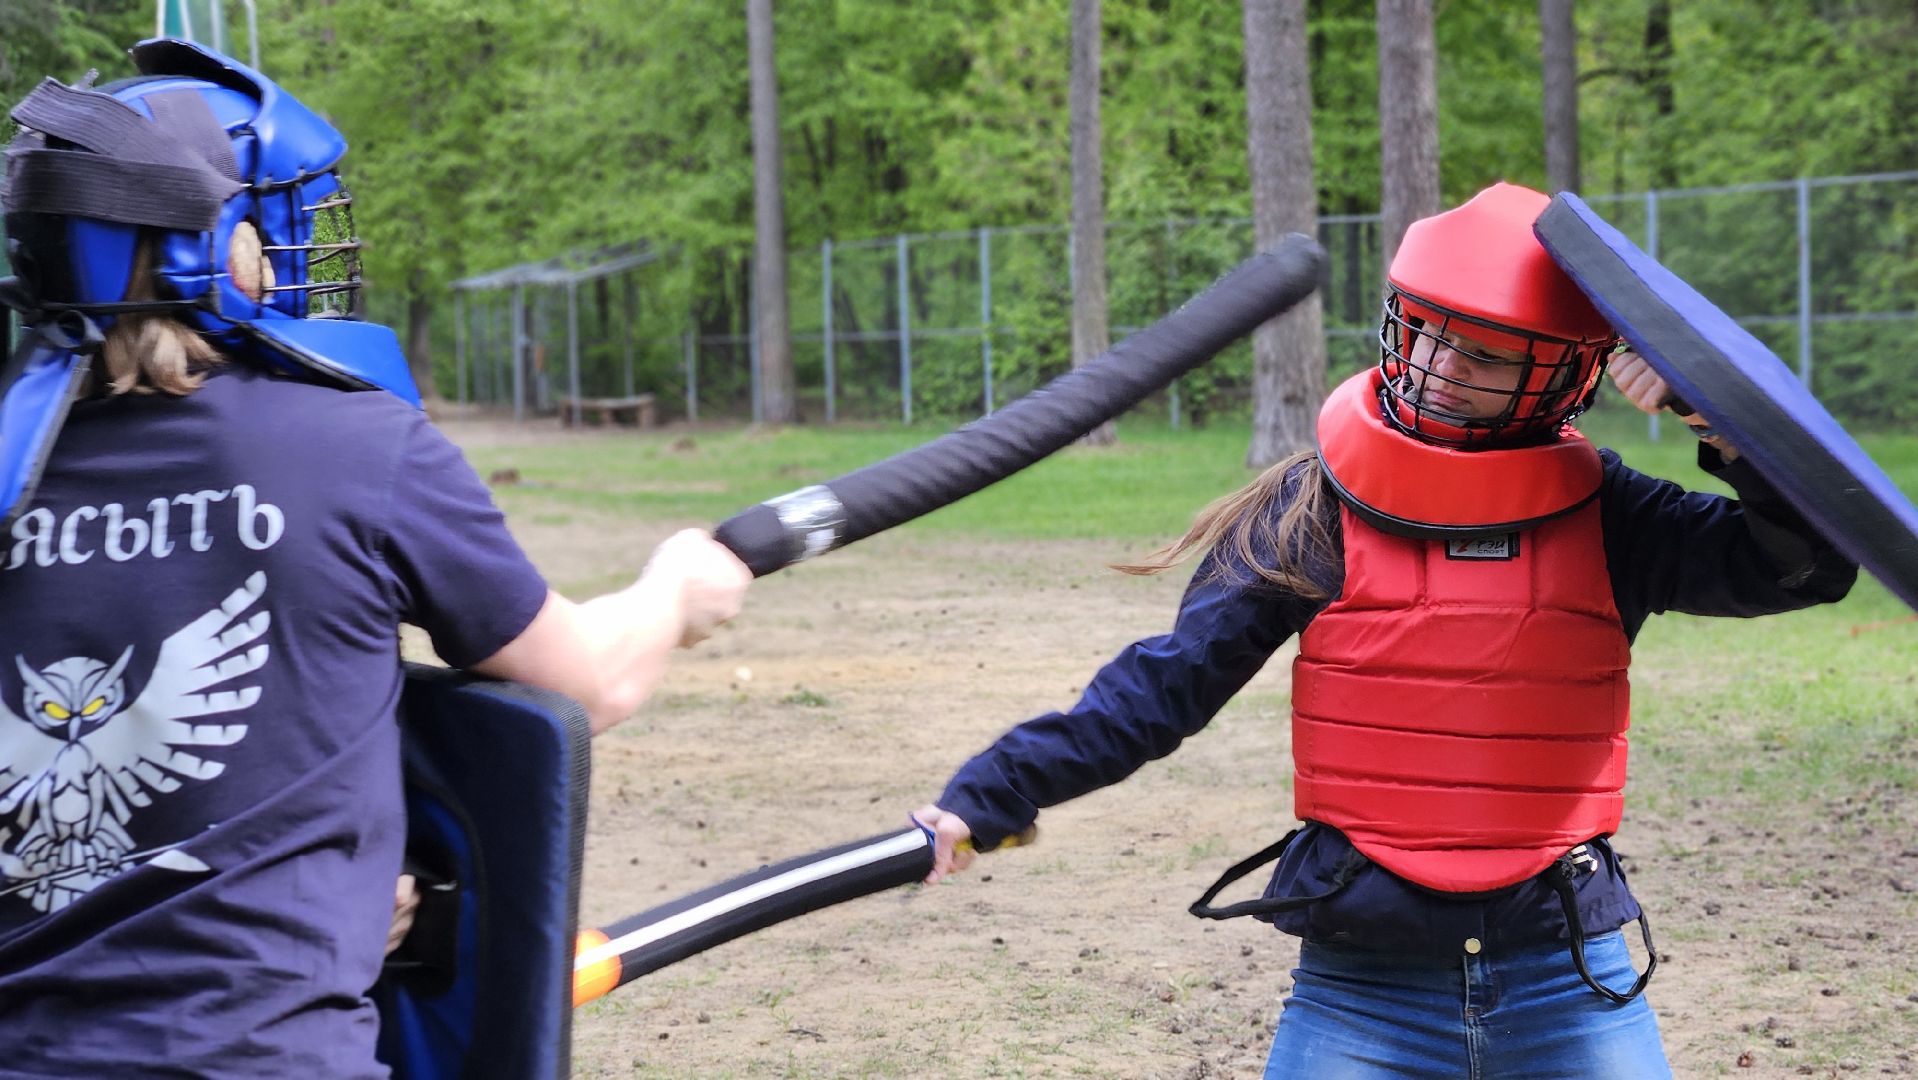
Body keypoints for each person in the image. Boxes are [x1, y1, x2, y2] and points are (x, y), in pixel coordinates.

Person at [911, 182, 1856, 1078]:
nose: (1441, 370)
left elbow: (1804, 566)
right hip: (1363, 986)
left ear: (1565, 374)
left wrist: (1727, 422)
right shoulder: (1310, 507)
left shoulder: (1613, 517)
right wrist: (992, 793)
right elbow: (1164, 688)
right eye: (1428, 336)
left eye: (1483, 354)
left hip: (1566, 974)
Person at [0, 40, 750, 1078]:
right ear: (215, 244)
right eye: (275, 221)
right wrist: (674, 590)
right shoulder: (357, 449)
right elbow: (592, 680)